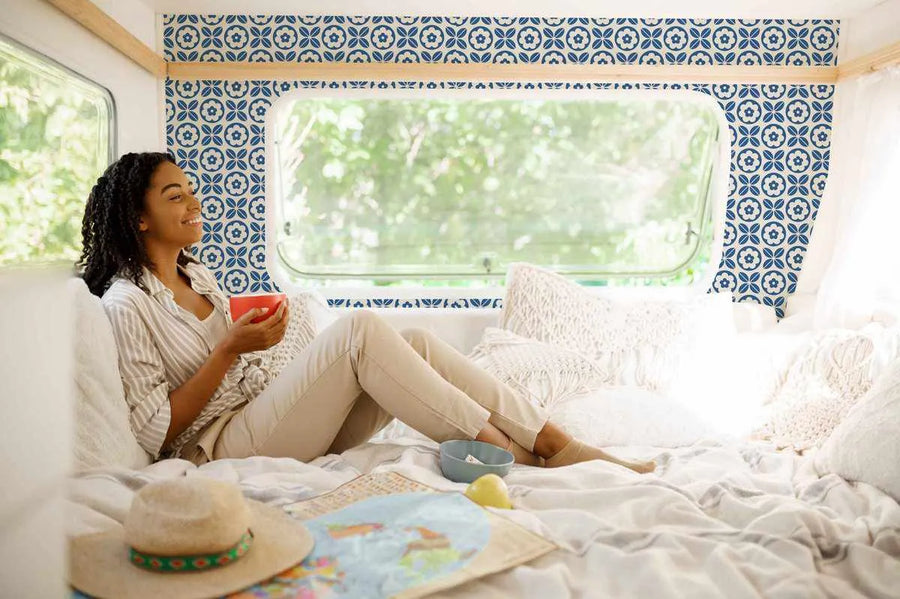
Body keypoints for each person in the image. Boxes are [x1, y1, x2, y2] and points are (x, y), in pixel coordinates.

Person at [77, 151, 655, 473]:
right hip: (220, 445)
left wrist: (258, 340)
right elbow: (154, 430)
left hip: (270, 417)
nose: (194, 202)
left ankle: (551, 440)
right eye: (174, 195)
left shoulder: (193, 274)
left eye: (190, 189)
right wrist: (230, 348)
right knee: (357, 331)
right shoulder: (127, 303)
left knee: (419, 341)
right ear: (139, 219)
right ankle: (511, 453)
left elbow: (240, 360)